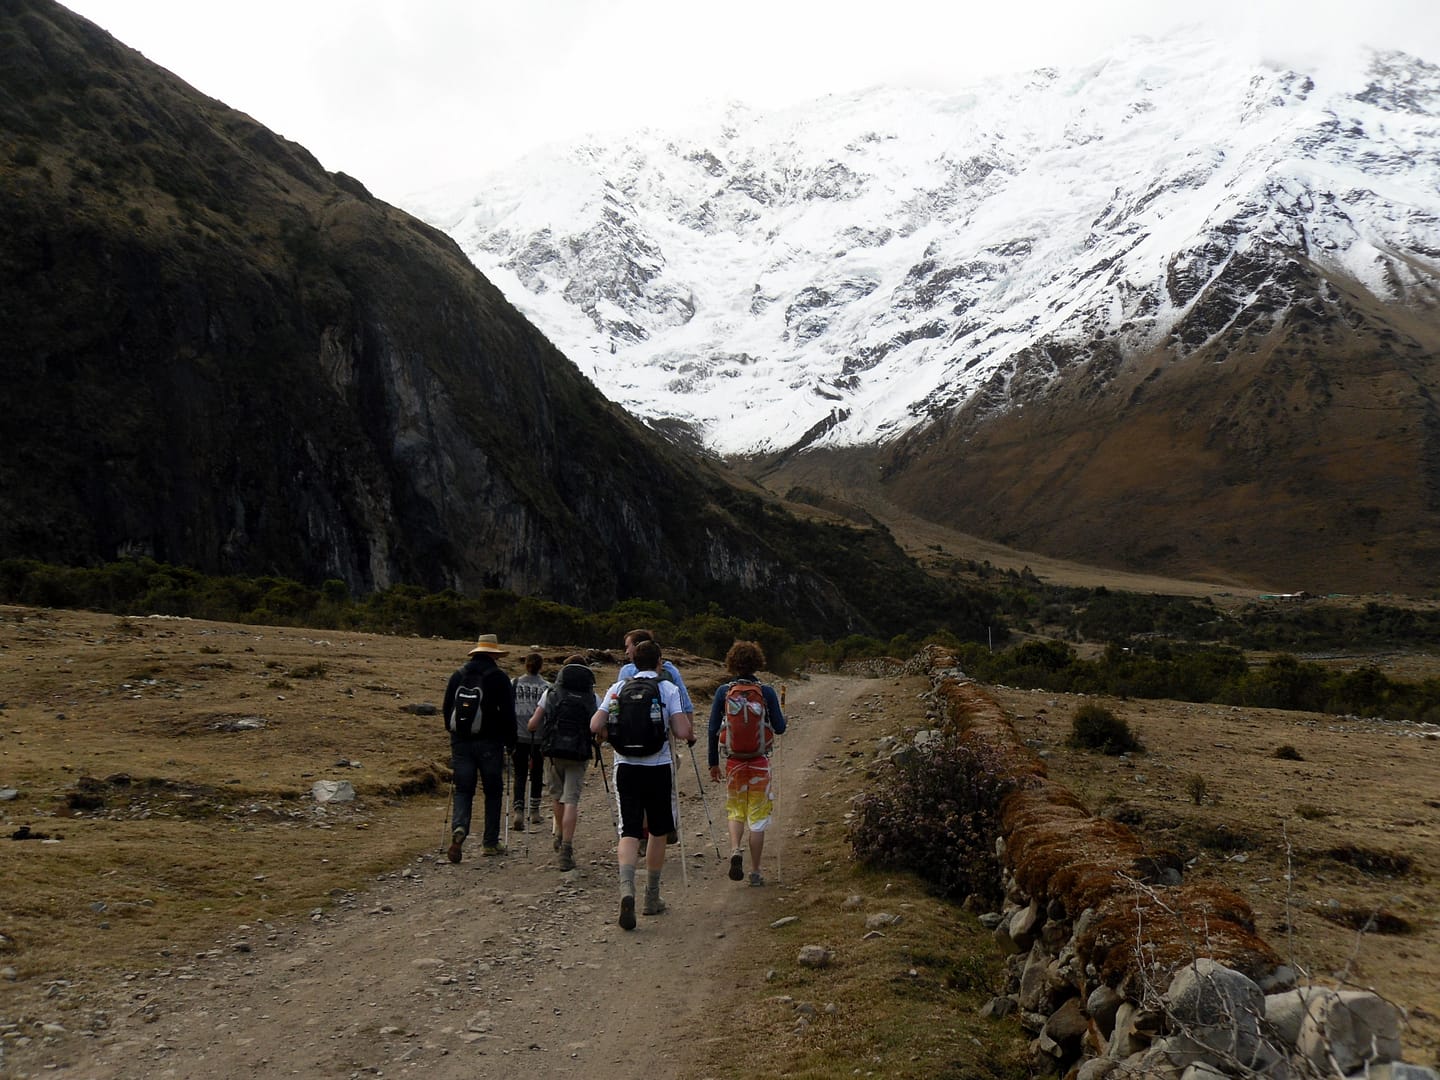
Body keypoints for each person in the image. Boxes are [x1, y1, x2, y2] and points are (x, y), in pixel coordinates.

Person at [591, 639, 692, 929]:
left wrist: (611, 729)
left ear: (635, 661)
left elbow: (594, 725)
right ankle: (652, 897)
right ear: (659, 662)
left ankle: (626, 890)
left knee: (630, 829)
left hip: (626, 766)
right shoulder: (667, 688)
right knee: (658, 830)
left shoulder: (618, 688)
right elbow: (683, 730)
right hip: (657, 766)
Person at [708, 640, 786, 886]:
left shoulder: (723, 692)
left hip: (734, 763)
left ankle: (734, 850)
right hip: (759, 762)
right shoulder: (767, 691)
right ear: (757, 662)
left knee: (736, 811)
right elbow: (780, 728)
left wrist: (713, 764)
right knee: (758, 818)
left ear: (732, 662)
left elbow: (712, 729)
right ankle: (755, 871)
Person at [617, 628, 694, 847]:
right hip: (663, 735)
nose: (626, 650)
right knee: (664, 784)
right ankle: (665, 827)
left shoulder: (625, 674)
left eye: (629, 645)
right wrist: (690, 733)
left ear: (638, 647)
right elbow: (685, 703)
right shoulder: (670, 671)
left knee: (633, 791)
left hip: (629, 740)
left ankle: (639, 833)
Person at [442, 633, 516, 862]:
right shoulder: (499, 678)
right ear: (494, 654)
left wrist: (454, 734)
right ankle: (490, 842)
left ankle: (460, 828)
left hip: (461, 742)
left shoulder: (458, 675)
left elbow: (447, 709)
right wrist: (511, 743)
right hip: (490, 743)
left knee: (463, 789)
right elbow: (508, 714)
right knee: (493, 791)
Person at [528, 654, 597, 871]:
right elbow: (599, 728)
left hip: (554, 751)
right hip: (578, 753)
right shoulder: (592, 696)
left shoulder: (551, 693)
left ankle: (559, 833)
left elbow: (532, 724)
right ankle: (567, 848)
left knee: (557, 796)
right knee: (571, 800)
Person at [511, 652, 550, 832]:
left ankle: (518, 810)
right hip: (539, 737)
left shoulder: (515, 684)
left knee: (519, 773)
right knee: (537, 773)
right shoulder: (547, 687)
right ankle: (534, 811)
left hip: (518, 735)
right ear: (541, 666)